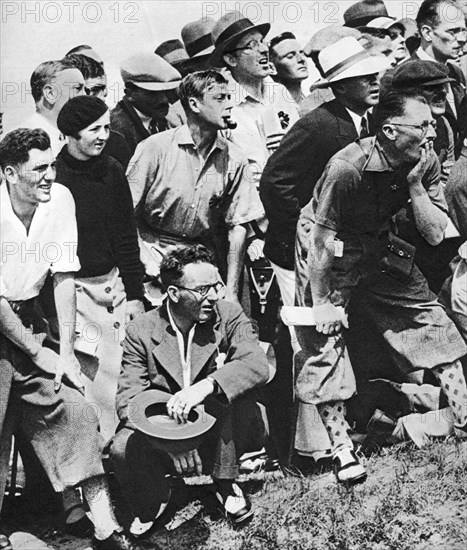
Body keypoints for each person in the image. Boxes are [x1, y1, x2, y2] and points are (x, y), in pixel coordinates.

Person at [294, 91, 467, 483]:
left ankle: (463, 418)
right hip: (329, 249)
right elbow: (321, 242)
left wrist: (416, 186)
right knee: (326, 342)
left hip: (379, 243)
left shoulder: (426, 160)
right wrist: (322, 304)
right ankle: (341, 450)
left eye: (432, 124)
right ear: (389, 130)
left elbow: (436, 234)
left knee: (431, 319)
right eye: (421, 125)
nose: (431, 132)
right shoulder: (347, 167)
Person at [0, 128, 150, 550]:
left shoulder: (59, 199)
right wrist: (36, 353)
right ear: (10, 173)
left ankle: (106, 528)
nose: (51, 175)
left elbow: (63, 277)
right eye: (39, 169)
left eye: (52, 165)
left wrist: (64, 353)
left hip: (31, 318)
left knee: (77, 411)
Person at [108, 244, 270, 534]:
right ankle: (157, 497)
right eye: (202, 289)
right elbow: (128, 402)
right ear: (173, 293)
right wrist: (174, 441)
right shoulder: (140, 331)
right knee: (122, 447)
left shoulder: (228, 315)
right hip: (164, 428)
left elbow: (257, 364)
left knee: (234, 398)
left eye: (216, 286)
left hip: (217, 429)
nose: (213, 296)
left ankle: (226, 483)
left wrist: (207, 386)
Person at [126, 70, 264, 305]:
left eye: (230, 97)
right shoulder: (154, 149)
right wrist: (145, 259)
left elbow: (239, 226)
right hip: (152, 257)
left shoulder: (234, 158)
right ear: (194, 104)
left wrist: (230, 292)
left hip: (201, 261)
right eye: (220, 99)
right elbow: (124, 213)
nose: (229, 105)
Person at [54, 95, 145, 440]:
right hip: (71, 293)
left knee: (119, 373)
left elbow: (126, 235)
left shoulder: (112, 170)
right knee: (88, 381)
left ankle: (127, 453)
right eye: (94, 129)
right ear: (71, 134)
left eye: (107, 126)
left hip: (112, 289)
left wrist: (135, 295)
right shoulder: (56, 177)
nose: (103, 135)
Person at [65, 53, 133, 168]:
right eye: (94, 90)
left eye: (102, 89)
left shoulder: (115, 143)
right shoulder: (51, 136)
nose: (103, 97)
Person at [414, 0, 467, 144]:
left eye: (464, 30)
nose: (462, 39)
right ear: (427, 33)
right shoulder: (405, 77)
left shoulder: (455, 72)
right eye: (453, 31)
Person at [110, 53, 181, 155]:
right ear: (129, 94)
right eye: (153, 93)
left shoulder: (160, 117)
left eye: (167, 92)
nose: (165, 100)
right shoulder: (116, 130)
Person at [20, 59, 85, 156]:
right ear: (50, 94)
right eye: (77, 88)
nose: (85, 95)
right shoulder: (21, 144)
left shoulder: (74, 136)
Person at [269, 32, 309, 105]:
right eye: (290, 56)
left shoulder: (313, 100)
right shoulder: (273, 109)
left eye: (301, 53)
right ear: (271, 68)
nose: (301, 59)